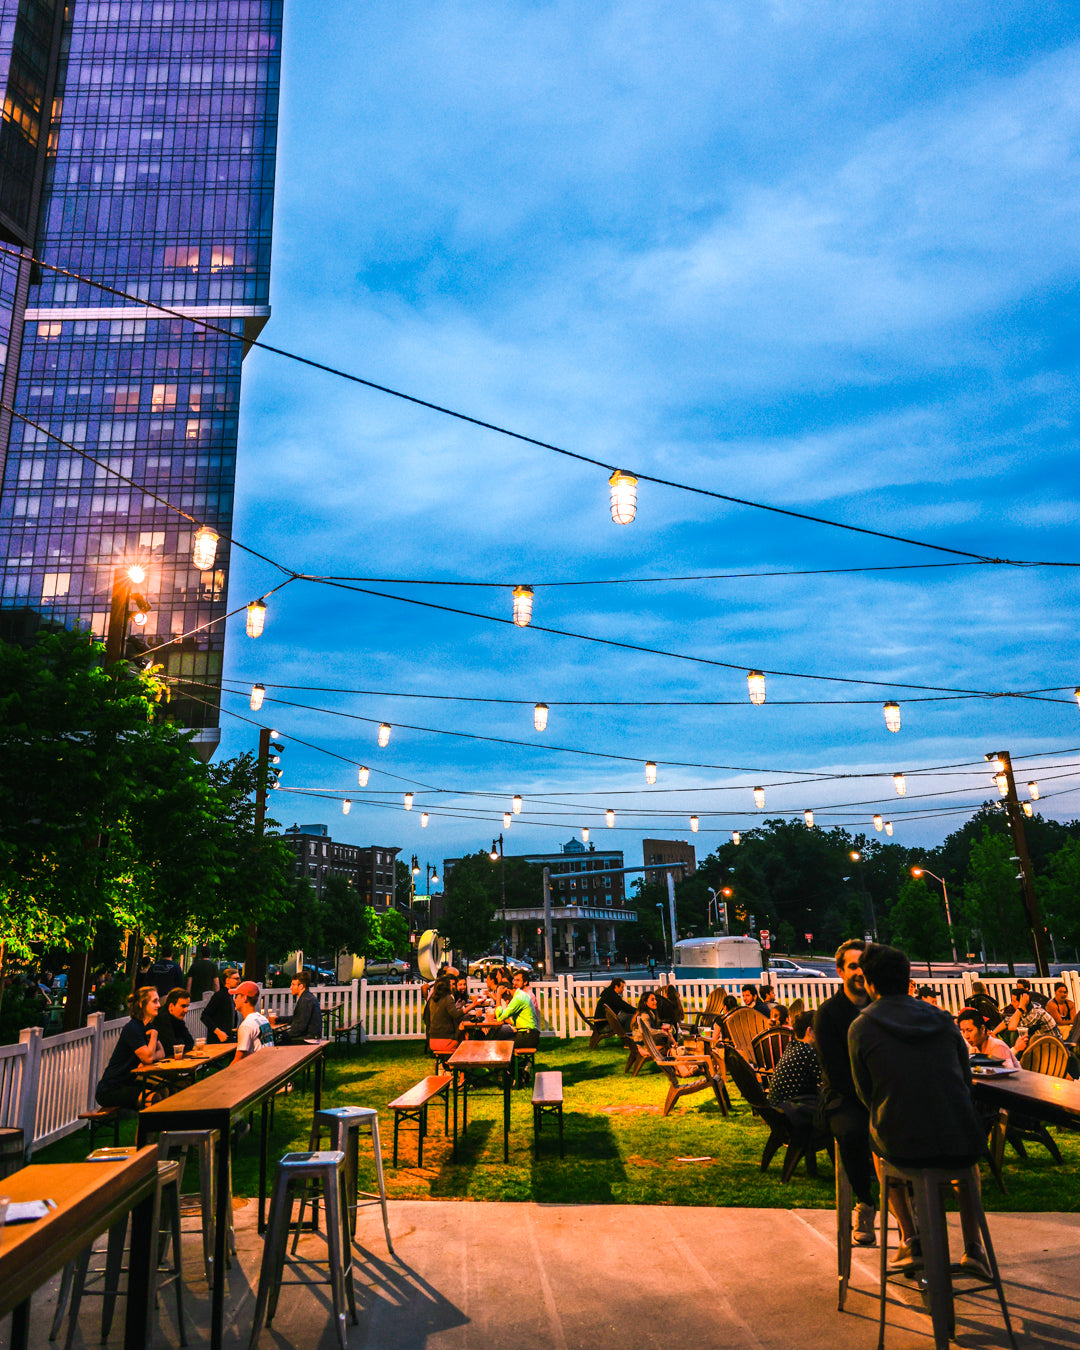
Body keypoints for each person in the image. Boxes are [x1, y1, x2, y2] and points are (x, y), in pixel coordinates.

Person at [849, 944, 991, 1278]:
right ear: (908, 978)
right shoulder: (943, 1019)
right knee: (967, 1168)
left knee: (877, 1142)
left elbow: (865, 1092)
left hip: (902, 1147)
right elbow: (963, 1076)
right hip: (960, 1142)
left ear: (869, 982)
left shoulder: (861, 1027)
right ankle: (974, 1248)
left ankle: (910, 1239)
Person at [814, 938, 883, 1247]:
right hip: (844, 1095)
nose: (860, 972)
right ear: (840, 971)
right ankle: (865, 1203)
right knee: (852, 1131)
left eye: (864, 966)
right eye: (853, 966)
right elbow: (836, 1071)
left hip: (882, 1093)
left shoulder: (882, 1007)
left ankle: (912, 1205)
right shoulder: (828, 1014)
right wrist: (868, 1100)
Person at [96, 986, 161, 1109]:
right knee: (154, 1098)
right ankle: (147, 1128)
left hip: (128, 1082)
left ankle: (158, 1128)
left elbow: (161, 1052)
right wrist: (154, 1036)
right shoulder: (133, 1028)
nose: (158, 1005)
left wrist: (151, 1055)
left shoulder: (148, 1025)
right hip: (111, 1088)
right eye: (154, 1001)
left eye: (158, 1001)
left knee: (163, 1090)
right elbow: (147, 1058)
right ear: (142, 1004)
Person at [767, 1010, 821, 1110]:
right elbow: (826, 1080)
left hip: (777, 1108)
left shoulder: (793, 1046)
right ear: (810, 1031)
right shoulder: (807, 1052)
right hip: (791, 1110)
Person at [492, 970, 540, 1051]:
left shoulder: (519, 998)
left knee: (498, 1045)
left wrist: (498, 996)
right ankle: (513, 1063)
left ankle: (513, 1063)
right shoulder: (519, 995)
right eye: (514, 980)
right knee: (495, 1035)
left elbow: (499, 1017)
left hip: (528, 1036)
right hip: (526, 1034)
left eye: (503, 997)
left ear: (507, 991)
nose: (504, 999)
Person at [1005, 987, 1062, 1053]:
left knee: (1015, 1034)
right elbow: (1007, 1021)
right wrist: (994, 1033)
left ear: (1022, 1002)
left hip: (1054, 1047)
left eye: (1014, 1001)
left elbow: (1012, 1027)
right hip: (1041, 1043)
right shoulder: (1025, 1011)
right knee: (1010, 1033)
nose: (1011, 1003)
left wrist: (1020, 1007)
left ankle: (1016, 1060)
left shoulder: (1035, 1013)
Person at [233, 981, 274, 1058]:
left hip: (257, 1066)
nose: (234, 1000)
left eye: (236, 996)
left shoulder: (246, 1025)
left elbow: (239, 1060)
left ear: (244, 998)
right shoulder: (263, 1019)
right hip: (269, 1062)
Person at [427, 976, 466, 1056]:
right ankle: (460, 1065)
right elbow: (456, 1014)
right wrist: (473, 1005)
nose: (453, 986)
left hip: (432, 1041)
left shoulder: (433, 999)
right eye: (452, 984)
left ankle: (446, 1063)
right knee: (465, 1039)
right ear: (447, 986)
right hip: (446, 1041)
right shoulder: (447, 998)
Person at [281, 969, 322, 1042]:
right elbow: (297, 1018)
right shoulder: (306, 997)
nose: (290, 987)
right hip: (310, 1037)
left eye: (293, 985)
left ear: (301, 986)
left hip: (309, 1039)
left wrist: (285, 1035)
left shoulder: (305, 1000)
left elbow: (300, 1028)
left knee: (278, 1043)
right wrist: (277, 1019)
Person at [202, 966, 240, 1042]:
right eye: (236, 979)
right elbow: (204, 1016)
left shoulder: (231, 996)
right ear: (227, 980)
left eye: (239, 978)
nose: (239, 981)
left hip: (229, 1038)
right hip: (218, 1041)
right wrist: (218, 1032)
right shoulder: (220, 995)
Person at [154, 987, 195, 1058]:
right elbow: (171, 1049)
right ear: (171, 1006)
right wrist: (181, 1042)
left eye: (187, 1006)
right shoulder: (162, 1018)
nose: (186, 1010)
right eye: (183, 1006)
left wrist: (179, 1043)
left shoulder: (177, 1018)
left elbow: (190, 1042)